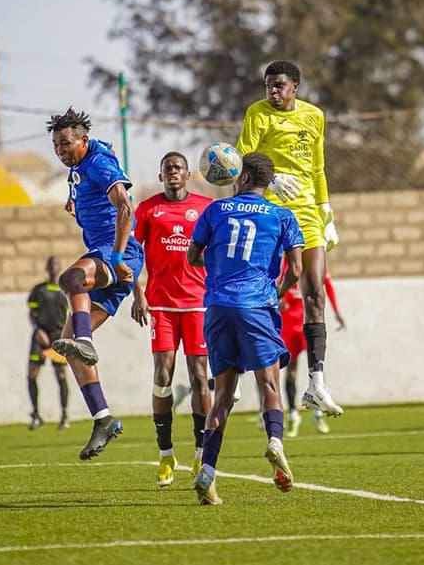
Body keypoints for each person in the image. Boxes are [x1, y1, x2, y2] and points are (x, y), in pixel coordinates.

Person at [186, 152, 304, 506]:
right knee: (269, 385)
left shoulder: (215, 211)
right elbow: (296, 269)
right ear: (267, 182)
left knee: (222, 396)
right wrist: (277, 294)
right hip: (257, 306)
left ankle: (207, 471)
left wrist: (221, 264)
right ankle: (275, 442)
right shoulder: (282, 215)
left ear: (240, 177)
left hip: (218, 307)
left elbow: (192, 257)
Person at [236, 60, 342, 418]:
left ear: (294, 86)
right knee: (254, 286)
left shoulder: (314, 116)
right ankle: (235, 370)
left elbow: (317, 167)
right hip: (270, 211)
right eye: (269, 86)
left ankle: (316, 383)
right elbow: (241, 157)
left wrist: (326, 210)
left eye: (279, 85)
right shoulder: (258, 114)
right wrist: (271, 178)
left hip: (308, 213)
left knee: (314, 290)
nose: (272, 91)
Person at [46, 108, 145, 461]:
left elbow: (126, 209)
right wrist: (77, 200)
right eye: (56, 145)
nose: (61, 150)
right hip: (104, 253)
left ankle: (86, 340)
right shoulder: (84, 163)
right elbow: (98, 164)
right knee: (68, 345)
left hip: (116, 252)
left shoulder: (99, 164)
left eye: (66, 144)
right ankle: (103, 418)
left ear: (83, 141)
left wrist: (118, 257)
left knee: (71, 278)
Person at [130, 151, 213, 486]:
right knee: (162, 375)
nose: (173, 172)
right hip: (161, 305)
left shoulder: (206, 207)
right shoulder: (148, 209)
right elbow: (131, 254)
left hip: (198, 305)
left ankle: (200, 451)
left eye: (178, 168)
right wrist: (138, 295)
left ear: (188, 174)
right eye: (168, 169)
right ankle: (165, 455)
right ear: (161, 174)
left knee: (198, 376)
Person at [280, 262, 345, 437]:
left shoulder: (314, 259)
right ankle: (293, 415)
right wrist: (279, 302)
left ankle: (318, 413)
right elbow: (276, 286)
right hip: (289, 325)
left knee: (317, 367)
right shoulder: (283, 261)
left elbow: (327, 285)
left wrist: (336, 311)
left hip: (309, 323)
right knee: (291, 370)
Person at [26, 256, 70, 430]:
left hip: (58, 337)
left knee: (60, 374)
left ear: (61, 267)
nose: (54, 268)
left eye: (57, 264)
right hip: (40, 336)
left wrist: (66, 336)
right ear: (47, 268)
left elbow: (70, 315)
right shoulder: (39, 290)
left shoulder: (65, 291)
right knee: (32, 373)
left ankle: (64, 415)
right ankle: (36, 414)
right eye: (51, 265)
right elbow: (32, 313)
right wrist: (38, 330)